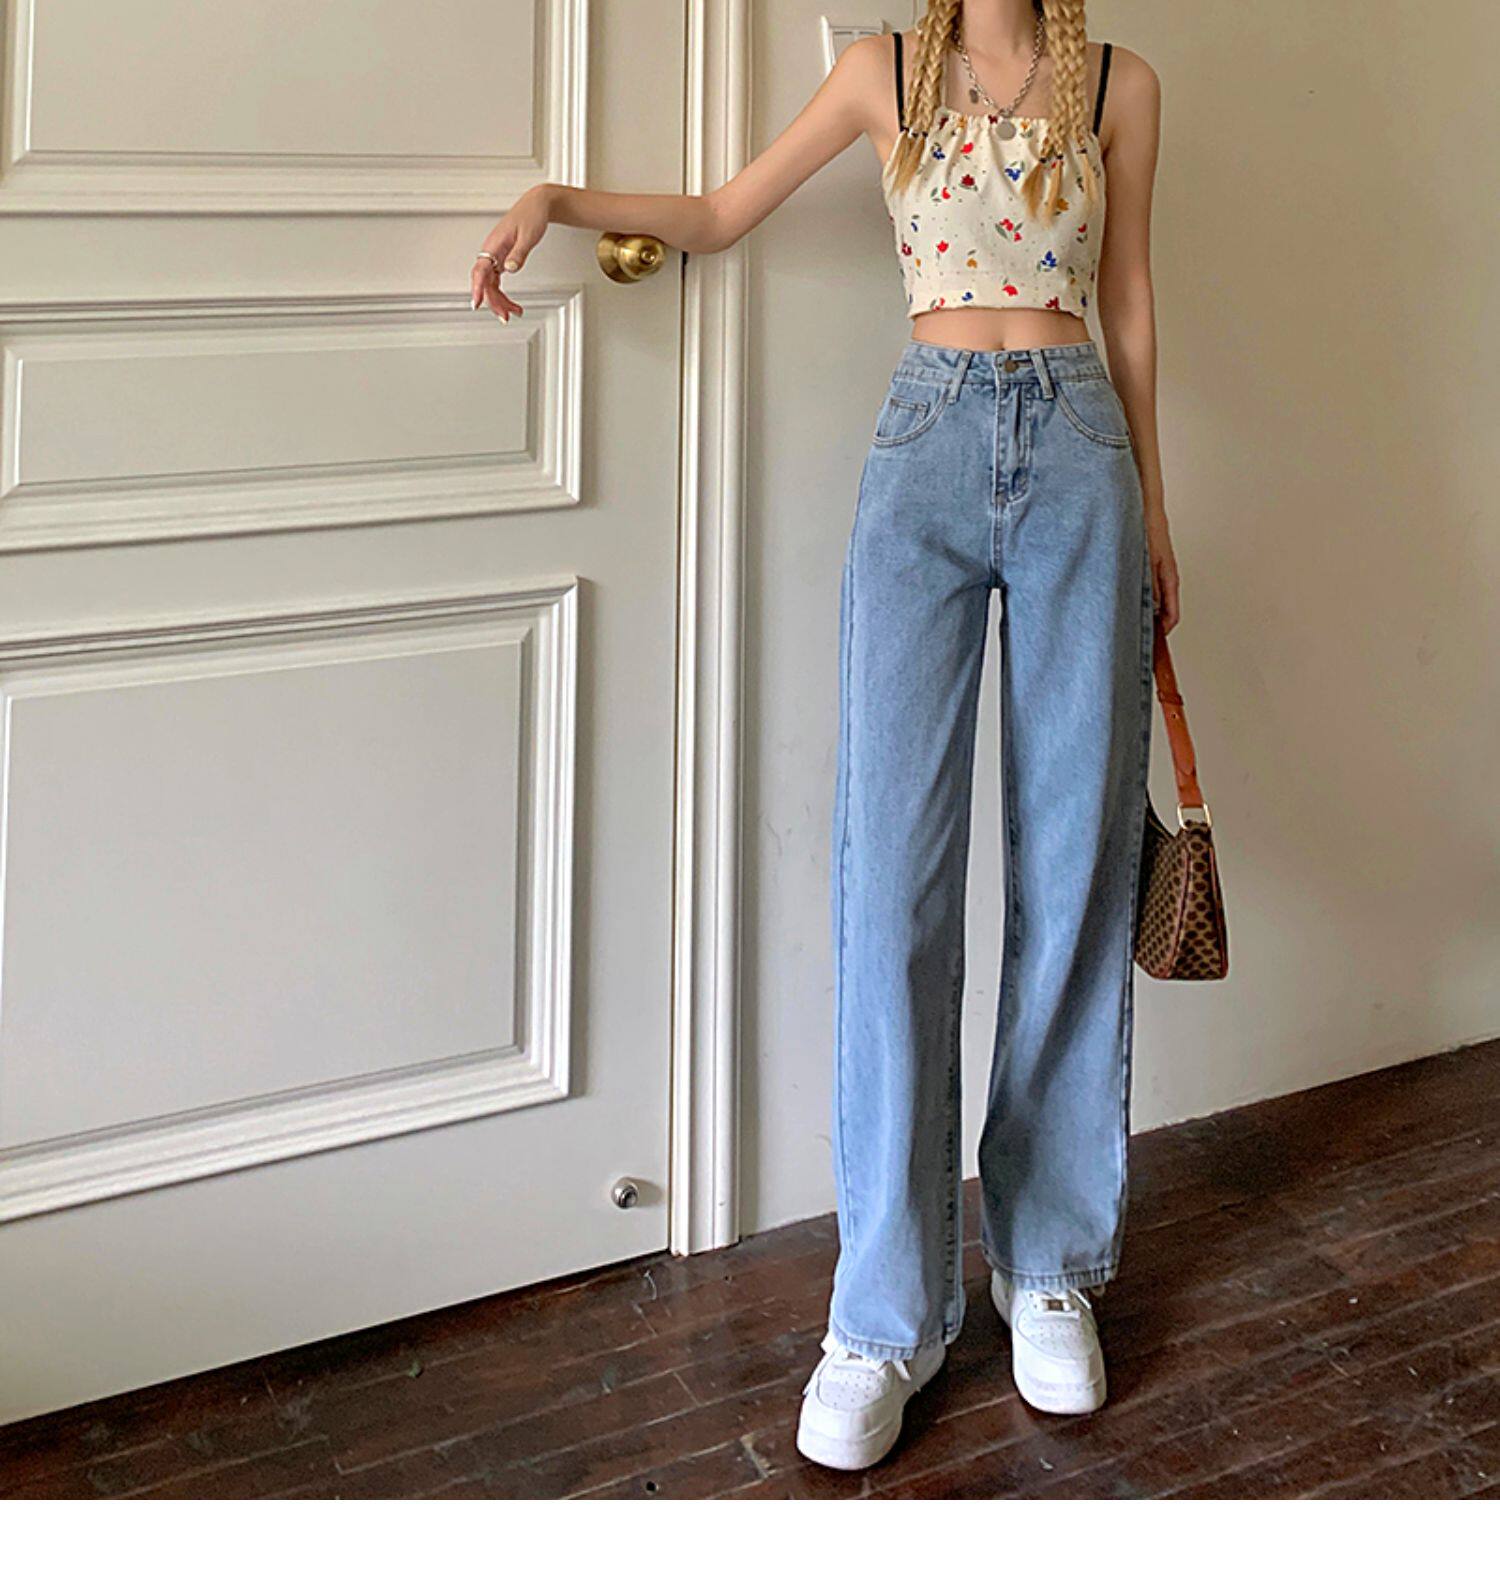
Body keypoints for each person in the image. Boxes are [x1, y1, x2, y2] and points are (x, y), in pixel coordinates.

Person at [471, 0, 1178, 1473]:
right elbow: (721, 214)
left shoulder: (1120, 84)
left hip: (1082, 454)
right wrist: (559, 198)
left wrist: (1157, 514)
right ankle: (884, 1315)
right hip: (925, 448)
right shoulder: (881, 74)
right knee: (891, 882)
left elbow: (1130, 304)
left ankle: (1047, 1264)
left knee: (1074, 862)